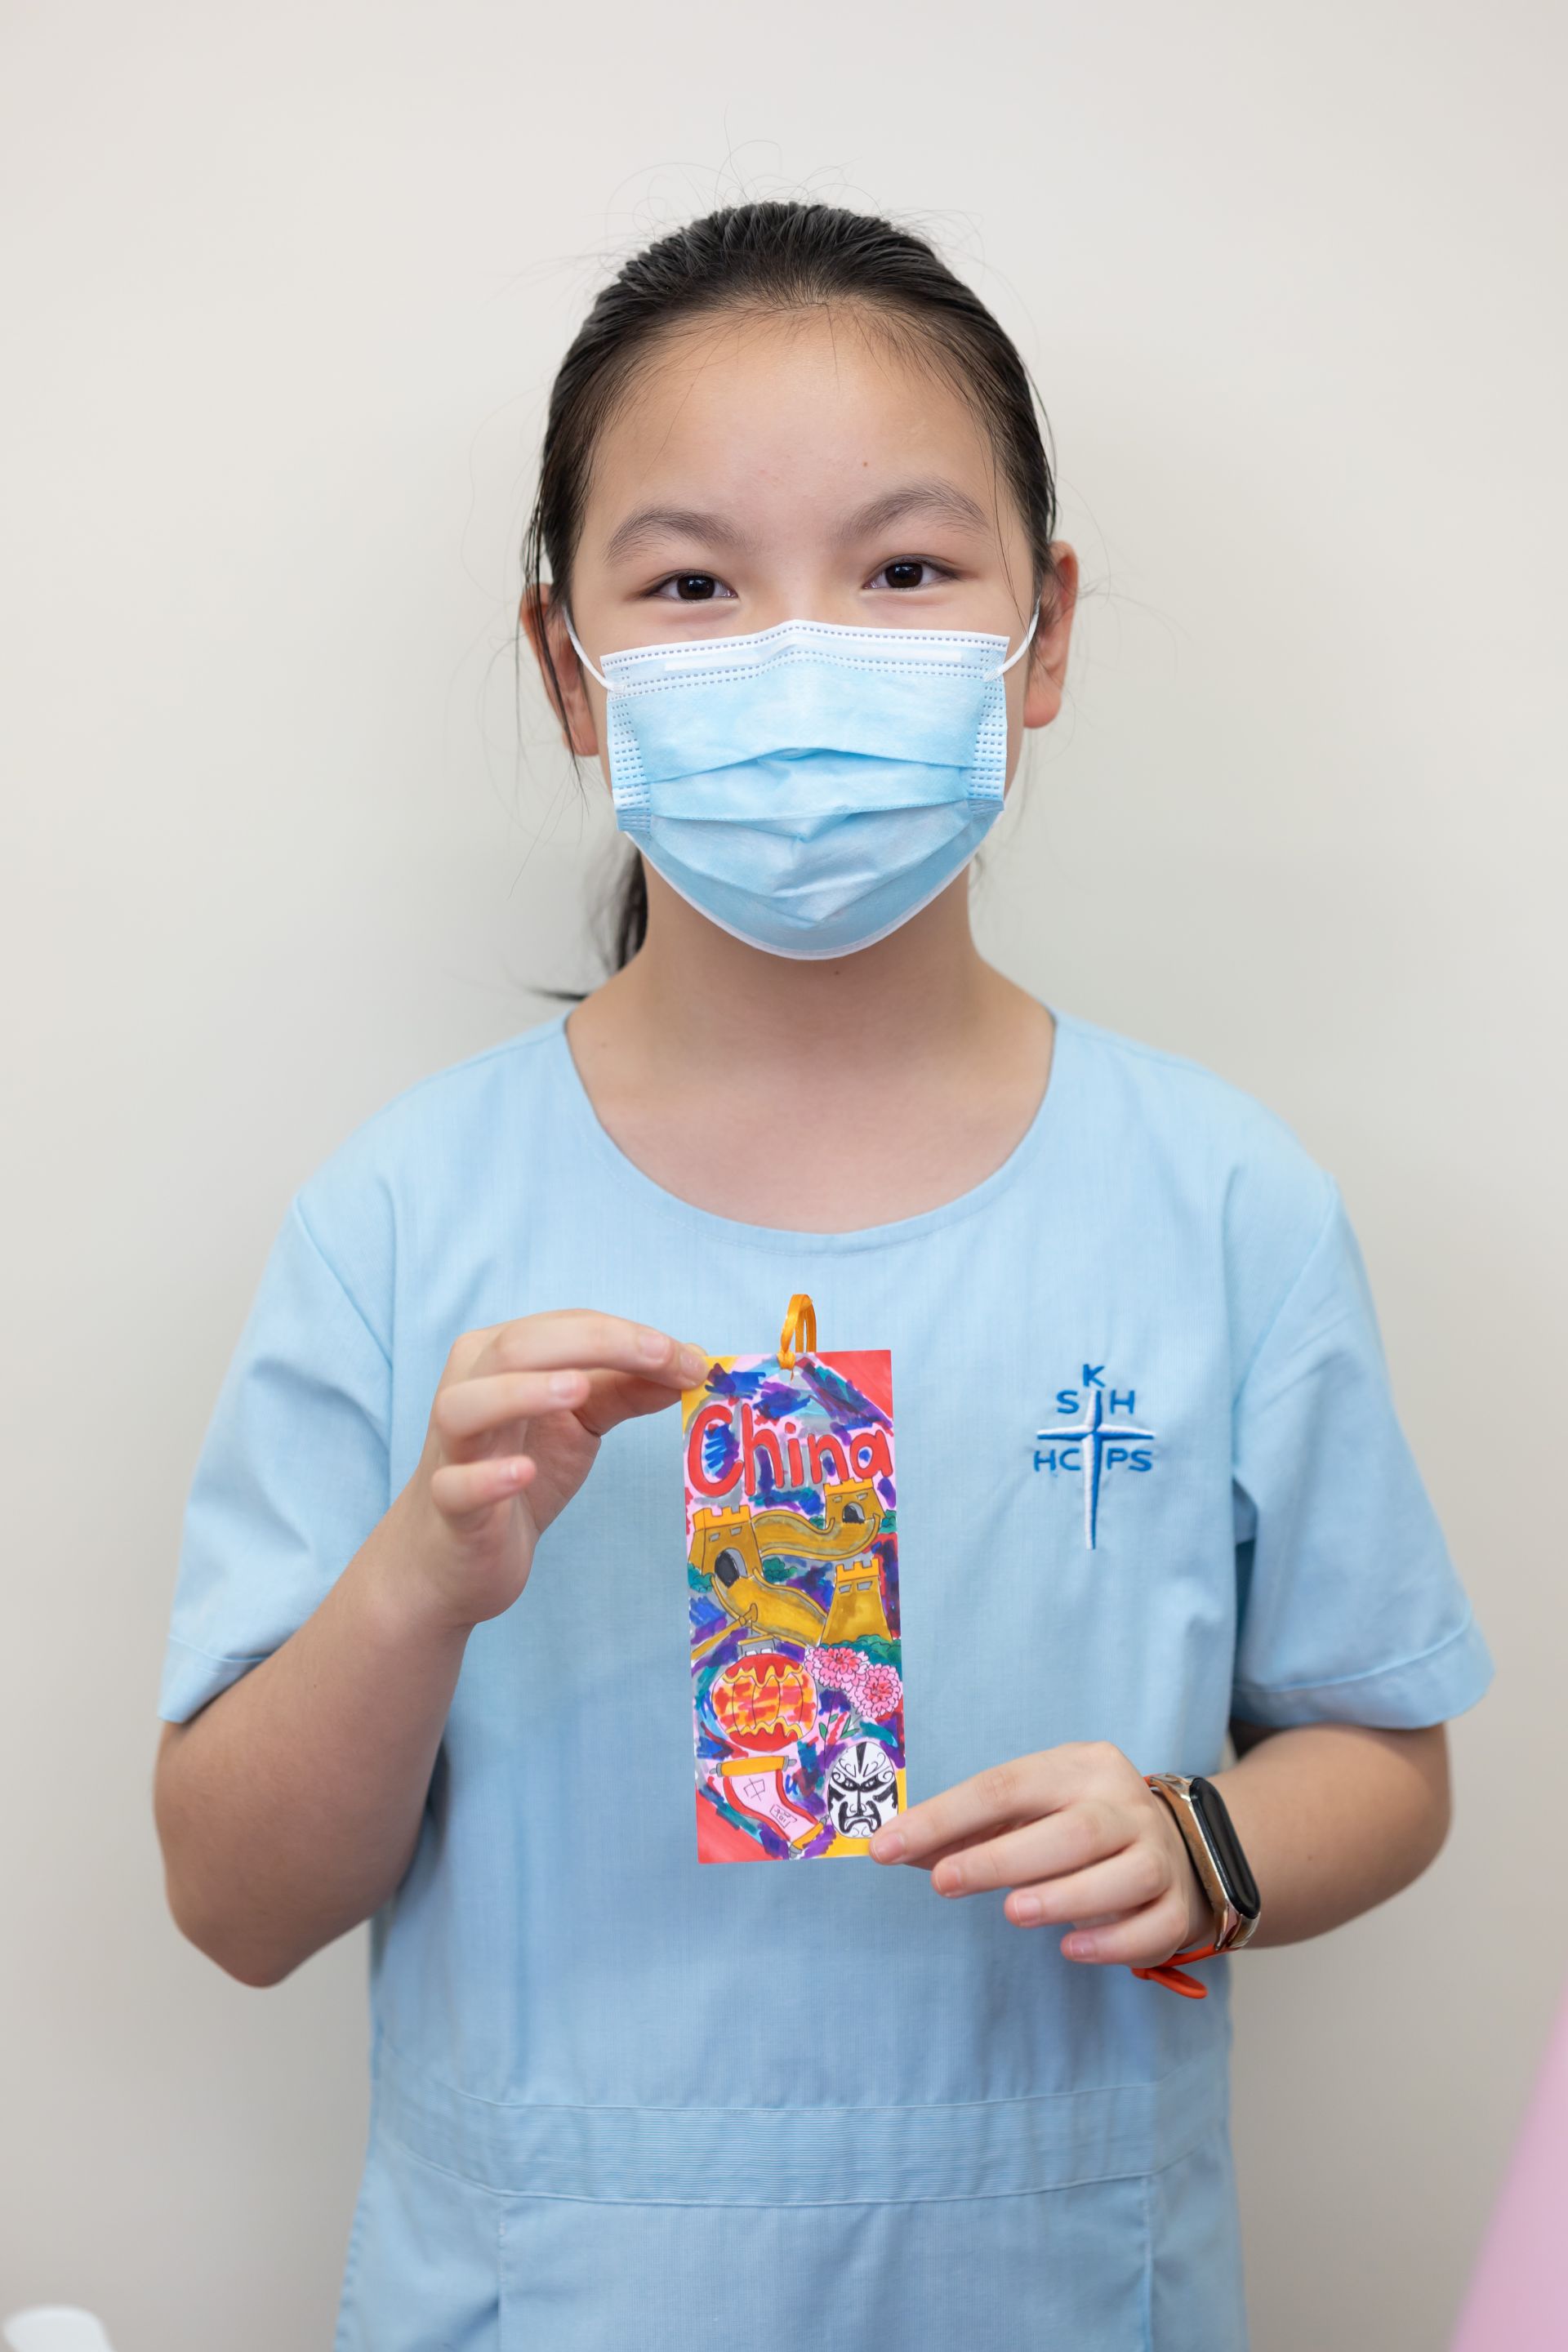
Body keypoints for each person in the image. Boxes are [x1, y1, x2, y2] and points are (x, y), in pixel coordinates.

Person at [152, 200, 1494, 2350]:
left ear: (1043, 631)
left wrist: (1209, 1851)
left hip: (1058, 2288)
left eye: (905, 569)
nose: (802, 655)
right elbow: (233, 1904)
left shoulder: (1222, 1206)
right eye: (693, 583)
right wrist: (416, 1581)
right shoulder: (404, 1222)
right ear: (569, 668)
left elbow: (1385, 1760)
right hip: (558, 2296)